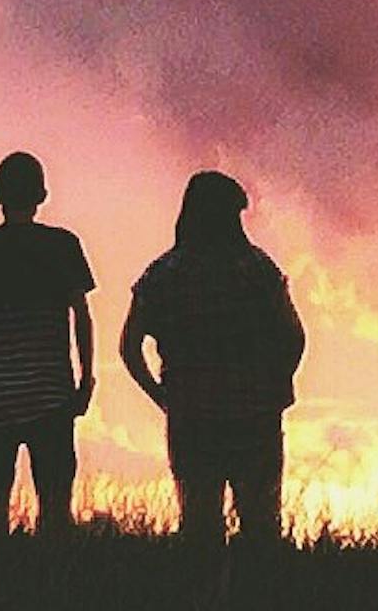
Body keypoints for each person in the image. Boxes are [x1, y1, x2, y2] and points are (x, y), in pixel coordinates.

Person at [120, 171, 302, 548]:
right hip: (255, 414)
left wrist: (162, 396)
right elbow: (294, 337)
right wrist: (277, 385)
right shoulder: (257, 268)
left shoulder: (164, 274)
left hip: (191, 415)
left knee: (199, 526)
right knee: (261, 526)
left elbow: (129, 346)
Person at [0, 152, 98, 535]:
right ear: (42, 195)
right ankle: (52, 587)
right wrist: (86, 379)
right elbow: (81, 316)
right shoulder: (63, 245)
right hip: (50, 394)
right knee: (55, 512)